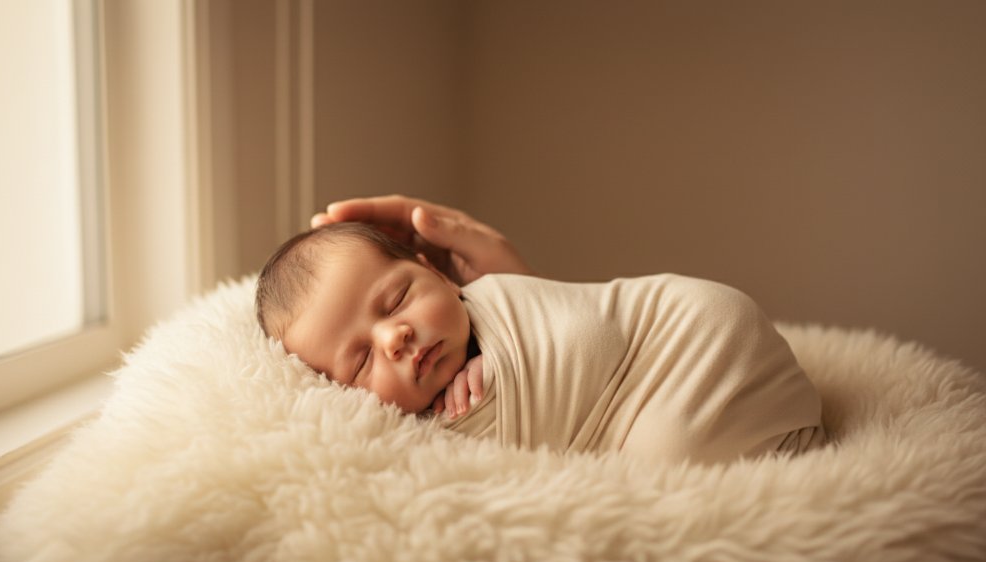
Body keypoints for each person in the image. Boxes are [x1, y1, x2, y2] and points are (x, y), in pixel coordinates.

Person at [258, 196, 825, 465]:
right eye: (359, 362)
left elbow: (567, 336)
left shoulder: (495, 300)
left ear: (433, 269)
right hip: (663, 398)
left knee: (673, 458)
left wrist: (497, 369)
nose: (394, 337)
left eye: (398, 298)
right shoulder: (401, 437)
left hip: (688, 339)